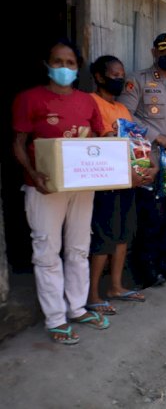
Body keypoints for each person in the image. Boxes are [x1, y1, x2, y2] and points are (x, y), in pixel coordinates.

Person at [12, 38, 110, 345]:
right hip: (44, 186)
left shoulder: (87, 101)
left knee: (79, 248)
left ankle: (77, 308)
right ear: (47, 64)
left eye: (70, 63)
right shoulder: (30, 99)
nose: (64, 68)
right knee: (46, 250)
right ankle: (56, 318)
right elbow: (18, 143)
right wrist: (32, 173)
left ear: (78, 67)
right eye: (57, 62)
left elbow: (101, 136)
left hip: (81, 184)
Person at [119, 32, 166, 287]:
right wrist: (159, 138)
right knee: (149, 217)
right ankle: (144, 270)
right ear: (154, 52)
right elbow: (125, 116)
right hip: (147, 157)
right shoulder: (138, 81)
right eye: (164, 51)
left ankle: (162, 263)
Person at [86, 55, 155, 315]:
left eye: (121, 74)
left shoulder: (123, 110)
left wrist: (147, 167)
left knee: (124, 235)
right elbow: (95, 143)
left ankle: (115, 286)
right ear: (99, 77)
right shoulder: (91, 103)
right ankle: (93, 294)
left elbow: (134, 145)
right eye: (114, 74)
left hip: (128, 181)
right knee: (104, 237)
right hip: (105, 180)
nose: (120, 79)